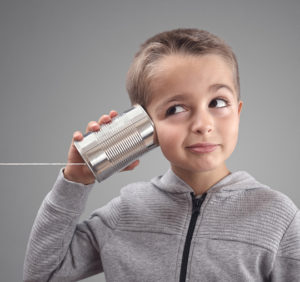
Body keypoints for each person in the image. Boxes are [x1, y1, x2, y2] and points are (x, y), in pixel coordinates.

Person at [23, 28, 300, 282]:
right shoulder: (126, 212)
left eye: (217, 102)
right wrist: (76, 179)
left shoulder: (277, 217)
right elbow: (43, 274)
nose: (203, 124)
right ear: (144, 125)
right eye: (176, 109)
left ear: (237, 112)